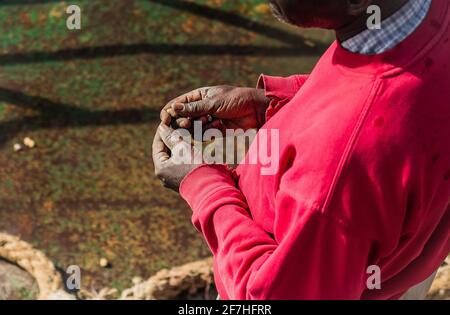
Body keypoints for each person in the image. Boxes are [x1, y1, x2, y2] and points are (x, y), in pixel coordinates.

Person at [152, 0, 450, 299]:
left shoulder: (336, 176)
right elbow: (396, 98)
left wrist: (204, 187)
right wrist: (282, 103)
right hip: (400, 269)